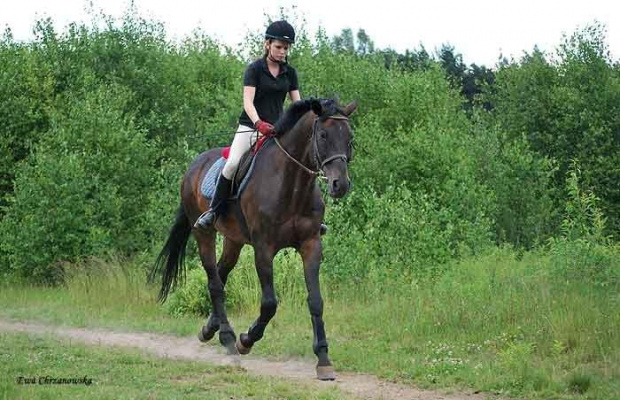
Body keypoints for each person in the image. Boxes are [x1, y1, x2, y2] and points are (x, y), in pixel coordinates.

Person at [195, 20, 327, 234]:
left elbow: (297, 103)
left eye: (286, 48)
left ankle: (310, 215)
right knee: (232, 164)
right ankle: (214, 211)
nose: (283, 51)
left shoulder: (290, 73)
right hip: (251, 126)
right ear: (267, 44)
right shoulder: (255, 69)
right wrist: (258, 123)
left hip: (279, 129)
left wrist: (306, 120)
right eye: (278, 47)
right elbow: (248, 101)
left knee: (303, 162)